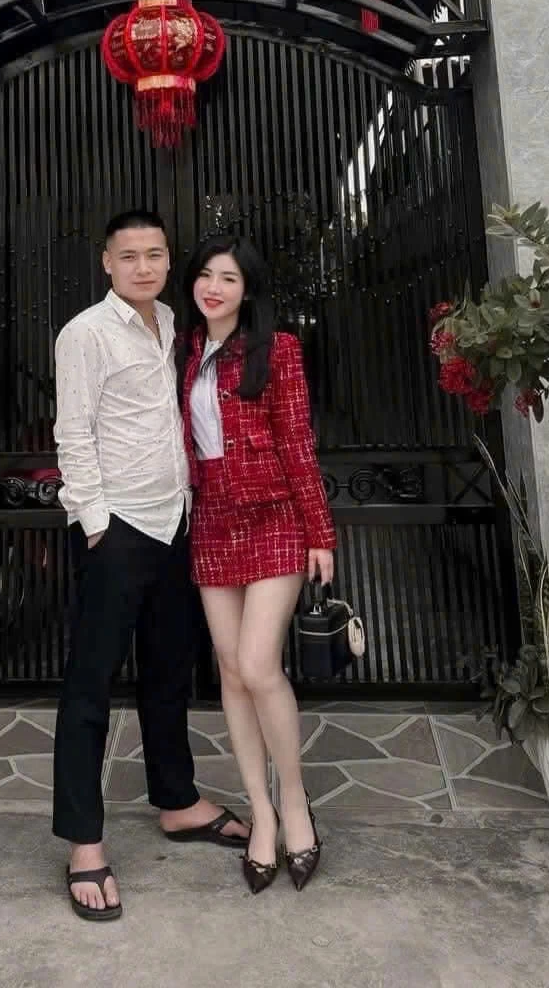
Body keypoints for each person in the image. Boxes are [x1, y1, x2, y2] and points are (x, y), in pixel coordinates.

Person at [52, 210, 250, 922]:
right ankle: (83, 842)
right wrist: (96, 523)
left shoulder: (172, 322)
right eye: (129, 255)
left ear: (170, 261)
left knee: (169, 672)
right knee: (91, 686)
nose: (143, 266)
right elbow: (73, 432)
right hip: (118, 529)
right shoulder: (84, 333)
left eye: (156, 254)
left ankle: (176, 800)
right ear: (106, 262)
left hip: (175, 521)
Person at [178, 235, 337, 894]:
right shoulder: (182, 351)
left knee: (258, 665)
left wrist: (319, 533)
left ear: (247, 291)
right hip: (212, 519)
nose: (214, 287)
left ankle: (295, 803)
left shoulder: (278, 350)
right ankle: (261, 814)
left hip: (274, 517)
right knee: (230, 671)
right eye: (205, 275)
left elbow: (297, 442)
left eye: (229, 278)